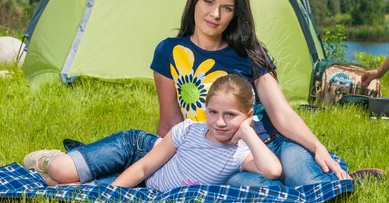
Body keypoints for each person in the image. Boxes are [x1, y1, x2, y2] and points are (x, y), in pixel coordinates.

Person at [151, 0, 383, 186]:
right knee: (244, 187)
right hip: (226, 155)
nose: (215, 14)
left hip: (271, 142)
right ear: (194, 1)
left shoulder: (247, 53)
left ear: (235, 14)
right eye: (208, 2)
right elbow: (170, 120)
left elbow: (280, 112)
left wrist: (317, 146)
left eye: (227, 8)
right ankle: (297, 183)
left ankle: (342, 179)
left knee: (309, 183)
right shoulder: (168, 52)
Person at [23, 75, 283, 190]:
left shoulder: (240, 154)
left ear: (248, 116)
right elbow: (145, 166)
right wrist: (111, 196)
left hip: (145, 186)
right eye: (213, 112)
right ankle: (51, 159)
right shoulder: (189, 130)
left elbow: (272, 171)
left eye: (231, 115)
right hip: (139, 149)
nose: (220, 122)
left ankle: (74, 168)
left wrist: (248, 133)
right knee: (59, 170)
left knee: (64, 188)